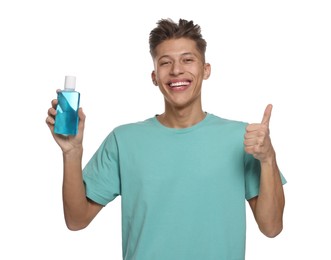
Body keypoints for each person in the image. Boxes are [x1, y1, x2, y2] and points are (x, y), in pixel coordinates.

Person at [46, 18, 286, 260]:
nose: (176, 70)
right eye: (165, 62)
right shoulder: (124, 140)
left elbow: (272, 227)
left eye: (188, 59)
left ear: (206, 70)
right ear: (154, 76)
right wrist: (71, 153)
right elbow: (76, 220)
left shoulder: (244, 139)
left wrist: (268, 158)